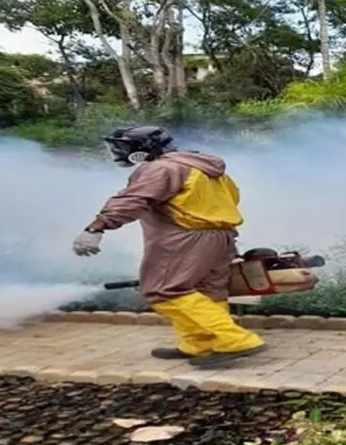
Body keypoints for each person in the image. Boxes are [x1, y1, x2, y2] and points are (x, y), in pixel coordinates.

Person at [72, 125, 267, 367]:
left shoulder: (161, 168)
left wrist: (97, 227)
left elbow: (134, 199)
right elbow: (232, 198)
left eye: (123, 147)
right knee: (208, 291)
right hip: (221, 236)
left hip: (185, 237)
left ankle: (236, 340)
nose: (119, 152)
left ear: (142, 150)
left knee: (163, 291)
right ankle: (200, 344)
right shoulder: (205, 167)